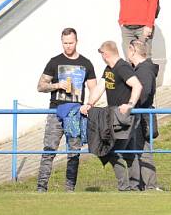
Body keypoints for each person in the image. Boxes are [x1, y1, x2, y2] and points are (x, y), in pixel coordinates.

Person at [36, 27, 97, 192]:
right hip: (55, 112)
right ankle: (41, 188)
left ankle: (69, 189)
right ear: (61, 42)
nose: (68, 46)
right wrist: (57, 85)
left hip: (75, 114)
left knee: (74, 152)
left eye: (71, 43)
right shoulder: (54, 61)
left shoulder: (86, 63)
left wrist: (89, 105)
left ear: (77, 41)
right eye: (65, 43)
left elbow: (94, 89)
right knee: (49, 150)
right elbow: (40, 86)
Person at [83, 41, 144, 191]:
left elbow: (137, 85)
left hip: (124, 118)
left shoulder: (122, 67)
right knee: (127, 153)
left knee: (111, 151)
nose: (102, 57)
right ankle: (133, 187)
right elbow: (100, 87)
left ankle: (126, 186)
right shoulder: (109, 69)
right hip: (114, 117)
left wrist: (130, 104)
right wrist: (89, 104)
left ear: (106, 54)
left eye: (102, 54)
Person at [127, 38, 160, 191]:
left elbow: (145, 93)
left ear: (133, 50)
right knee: (138, 149)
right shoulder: (142, 69)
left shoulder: (144, 70)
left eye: (128, 50)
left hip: (142, 115)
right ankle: (141, 185)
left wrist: (132, 104)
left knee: (143, 150)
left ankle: (150, 186)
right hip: (140, 114)